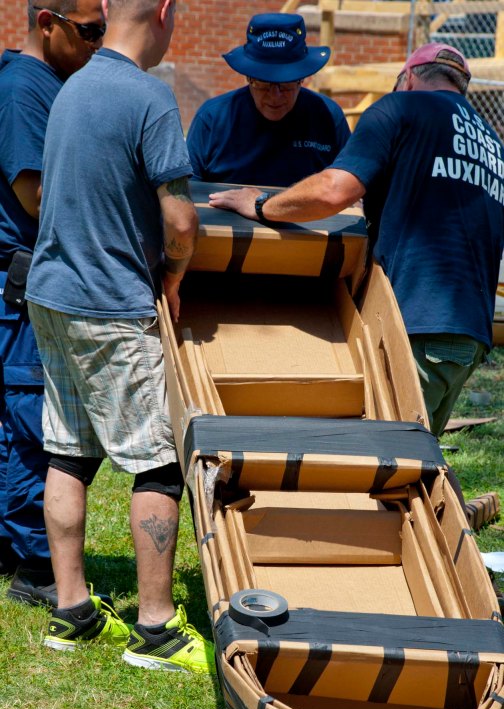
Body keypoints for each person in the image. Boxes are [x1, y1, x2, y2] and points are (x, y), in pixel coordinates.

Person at [26, 0, 215, 674]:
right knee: (157, 463)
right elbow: (182, 220)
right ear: (163, 12)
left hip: (50, 293)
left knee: (68, 451)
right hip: (110, 304)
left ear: (108, 11)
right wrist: (174, 274)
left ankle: (72, 611)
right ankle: (156, 630)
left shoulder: (72, 86)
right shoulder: (148, 97)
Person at [208, 43, 504, 440]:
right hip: (470, 333)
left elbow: (334, 190)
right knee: (417, 454)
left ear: (408, 78)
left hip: (415, 324)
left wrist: (260, 205)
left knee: (388, 454)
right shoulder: (491, 142)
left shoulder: (401, 108)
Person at [0, 0, 106, 603]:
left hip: (26, 280)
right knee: (34, 421)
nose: (97, 43)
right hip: (22, 283)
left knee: (20, 419)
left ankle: (14, 548)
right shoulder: (24, 89)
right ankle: (38, 567)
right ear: (47, 23)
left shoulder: (45, 82)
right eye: (88, 31)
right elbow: (36, 195)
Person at [186, 13, 351, 187]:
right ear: (248, 77)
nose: (275, 96)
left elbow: (349, 185)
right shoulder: (212, 120)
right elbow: (187, 191)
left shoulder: (328, 117)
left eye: (286, 84)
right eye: (262, 83)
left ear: (302, 79)